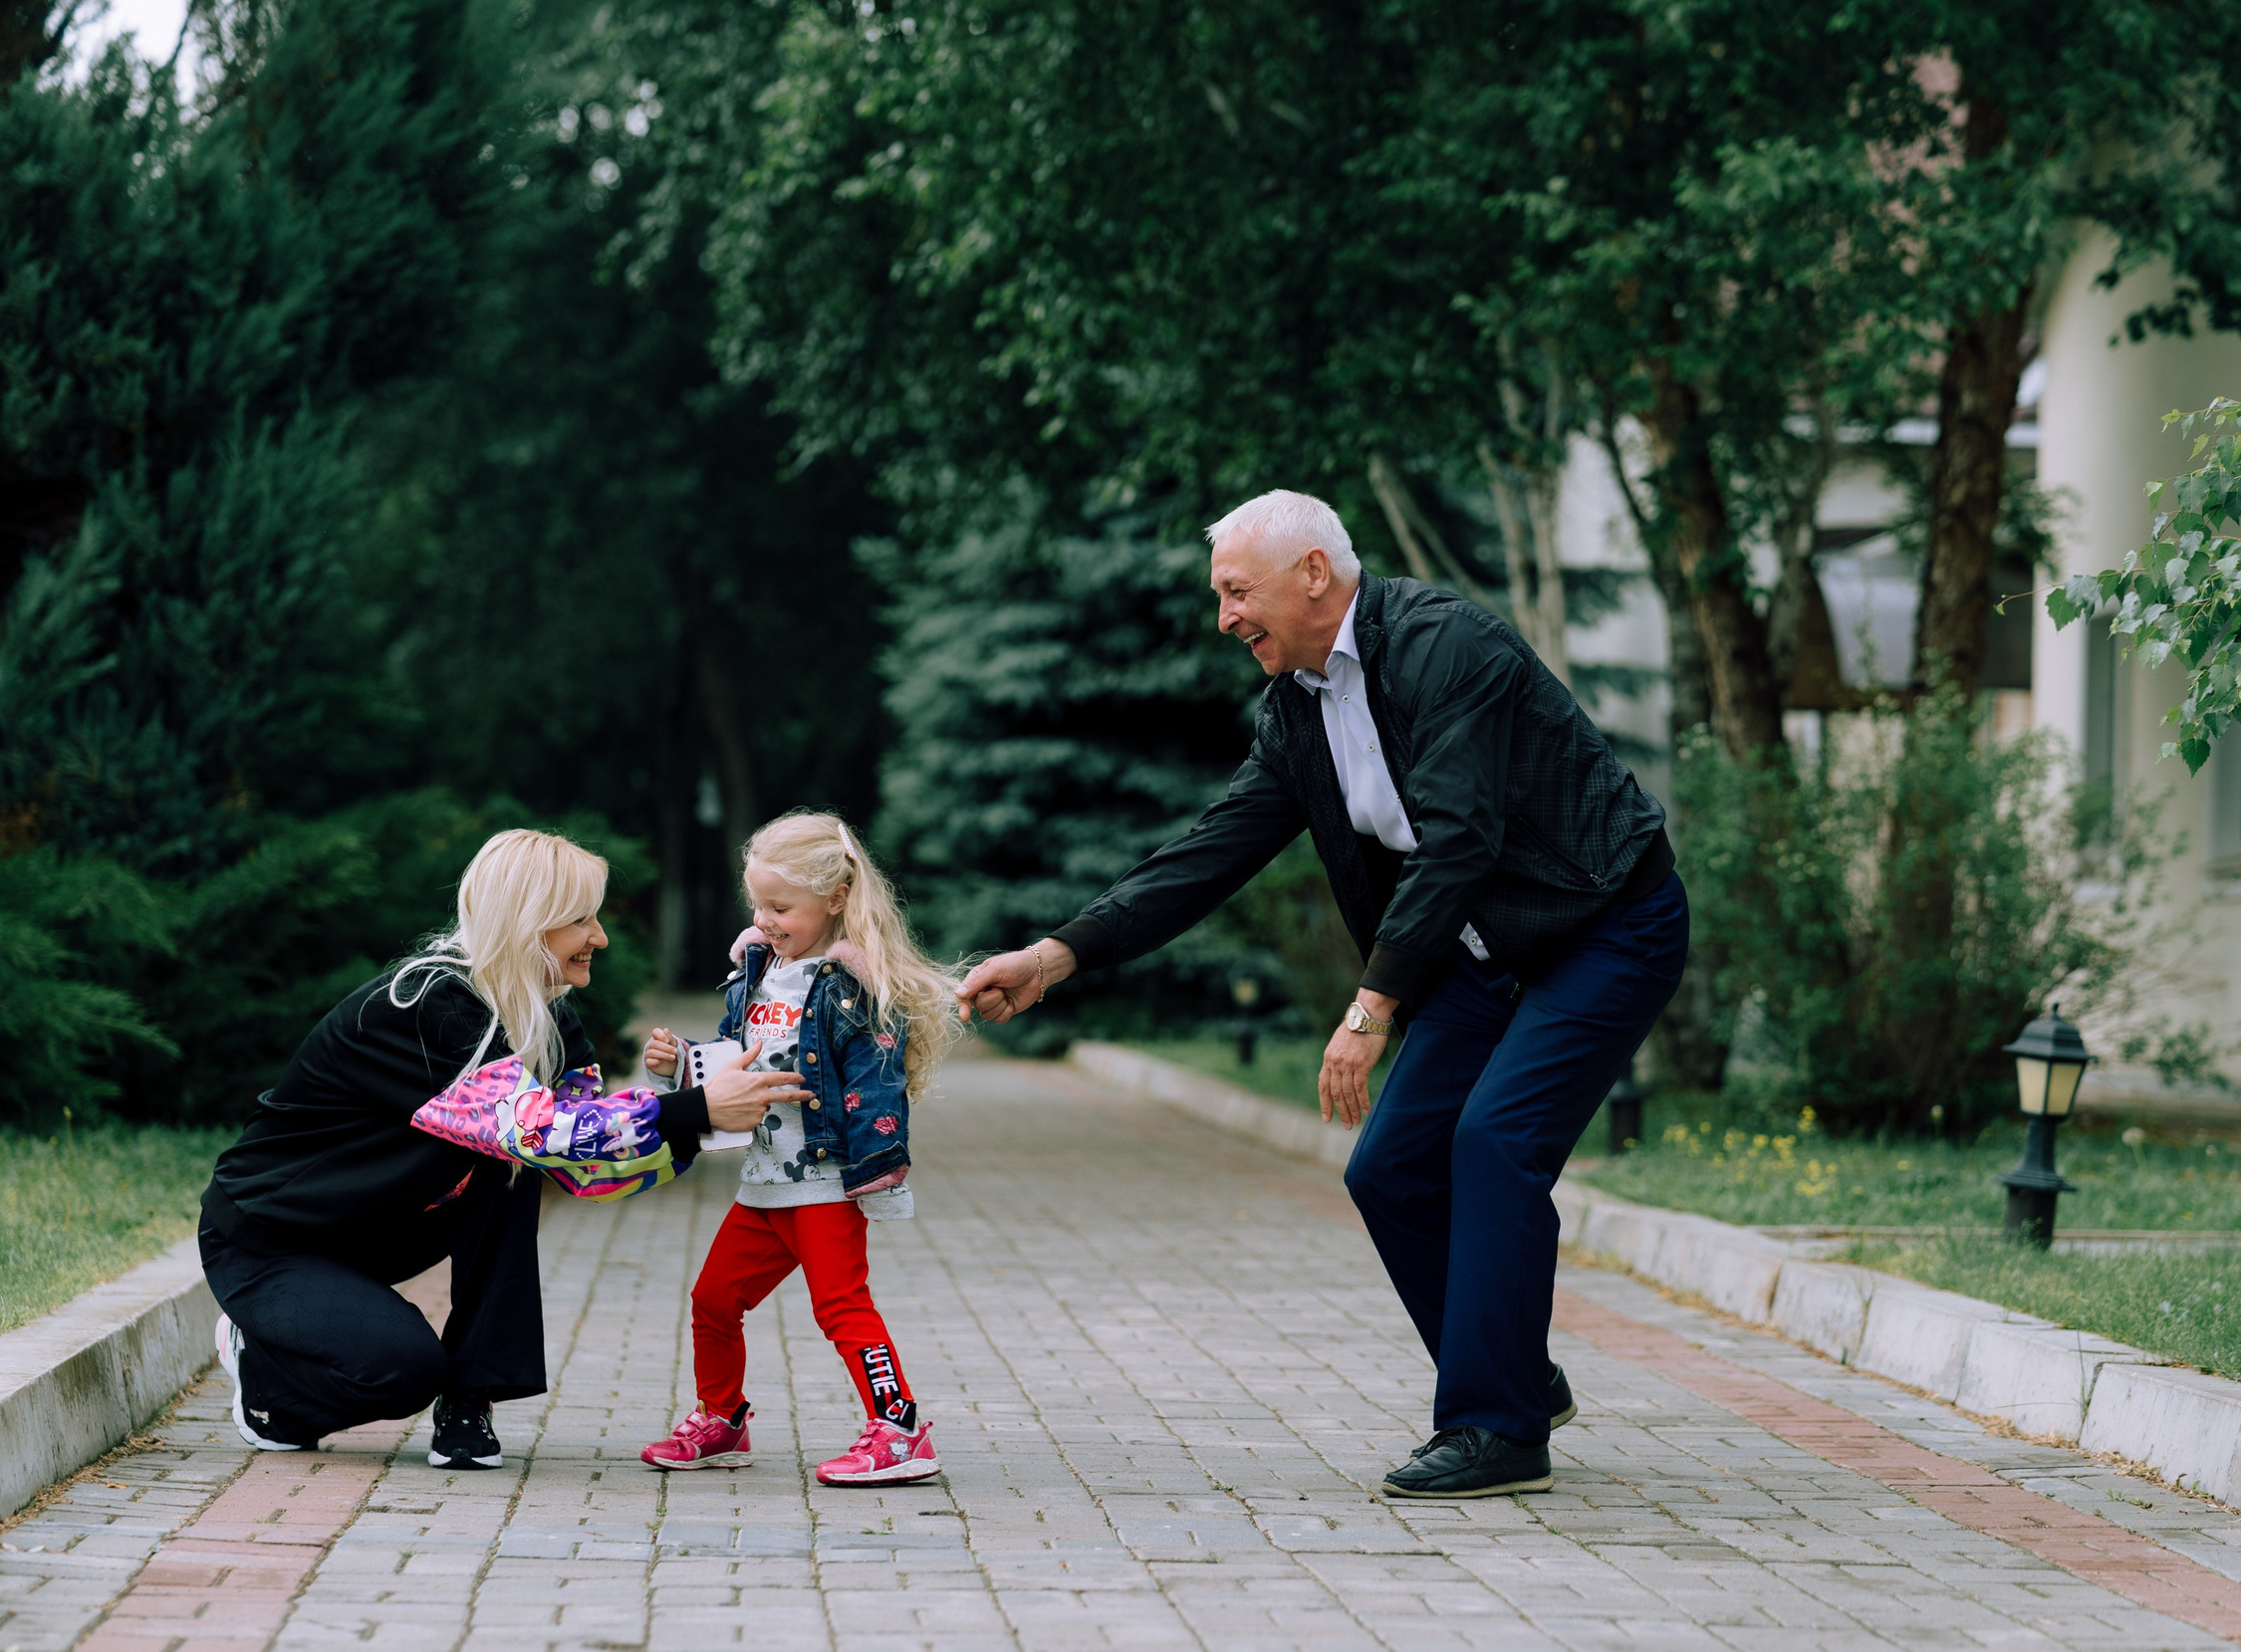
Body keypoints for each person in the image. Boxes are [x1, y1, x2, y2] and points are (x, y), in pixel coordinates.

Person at [960, 490, 1687, 1500]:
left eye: (1234, 592)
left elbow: (1460, 837)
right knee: (1388, 1168)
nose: (1223, 620)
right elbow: (1210, 851)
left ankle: (1498, 1426)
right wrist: (1056, 956)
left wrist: (1371, 1007)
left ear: (1312, 573)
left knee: (1492, 1141)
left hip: (1606, 922)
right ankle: (1509, 1370)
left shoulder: (1444, 647)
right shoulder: (1296, 708)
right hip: (1485, 941)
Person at [199, 828, 786, 1467]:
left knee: (515, 1171)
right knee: (401, 1372)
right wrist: (695, 1110)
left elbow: (584, 1168)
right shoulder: (426, 1004)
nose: (601, 938)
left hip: (375, 1228)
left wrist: (697, 1119)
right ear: (530, 923)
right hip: (272, 1236)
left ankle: (468, 1399)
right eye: (582, 921)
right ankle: (266, 1377)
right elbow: (536, 1128)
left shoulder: (550, 1019)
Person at [635, 812, 962, 1485]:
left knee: (841, 1305)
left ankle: (900, 1431)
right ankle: (722, 1417)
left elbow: (879, 1083)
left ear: (835, 898)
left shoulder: (853, 986)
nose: (766, 918)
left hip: (822, 1179)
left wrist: (880, 1168)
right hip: (764, 1180)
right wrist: (679, 1067)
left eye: (781, 906)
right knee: (714, 1300)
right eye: (758, 903)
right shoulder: (756, 970)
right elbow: (738, 1061)